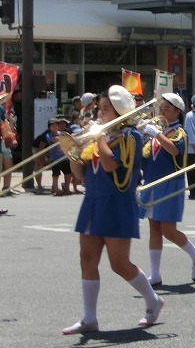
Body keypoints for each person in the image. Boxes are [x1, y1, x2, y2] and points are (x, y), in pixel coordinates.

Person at [62, 86, 165, 335]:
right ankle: (89, 318)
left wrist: (98, 137)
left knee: (119, 264)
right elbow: (81, 176)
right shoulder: (100, 135)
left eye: (106, 109)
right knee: (87, 260)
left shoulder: (130, 136)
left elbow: (110, 166)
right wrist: (72, 154)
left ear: (119, 111)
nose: (100, 112)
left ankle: (153, 300)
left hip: (116, 203)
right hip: (93, 200)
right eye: (100, 108)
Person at [138, 93, 195, 285]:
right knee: (154, 228)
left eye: (166, 109)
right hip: (152, 182)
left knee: (168, 229)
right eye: (161, 108)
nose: (162, 112)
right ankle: (155, 273)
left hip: (169, 183)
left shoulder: (179, 133)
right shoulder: (157, 131)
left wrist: (155, 134)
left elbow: (175, 150)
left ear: (178, 112)